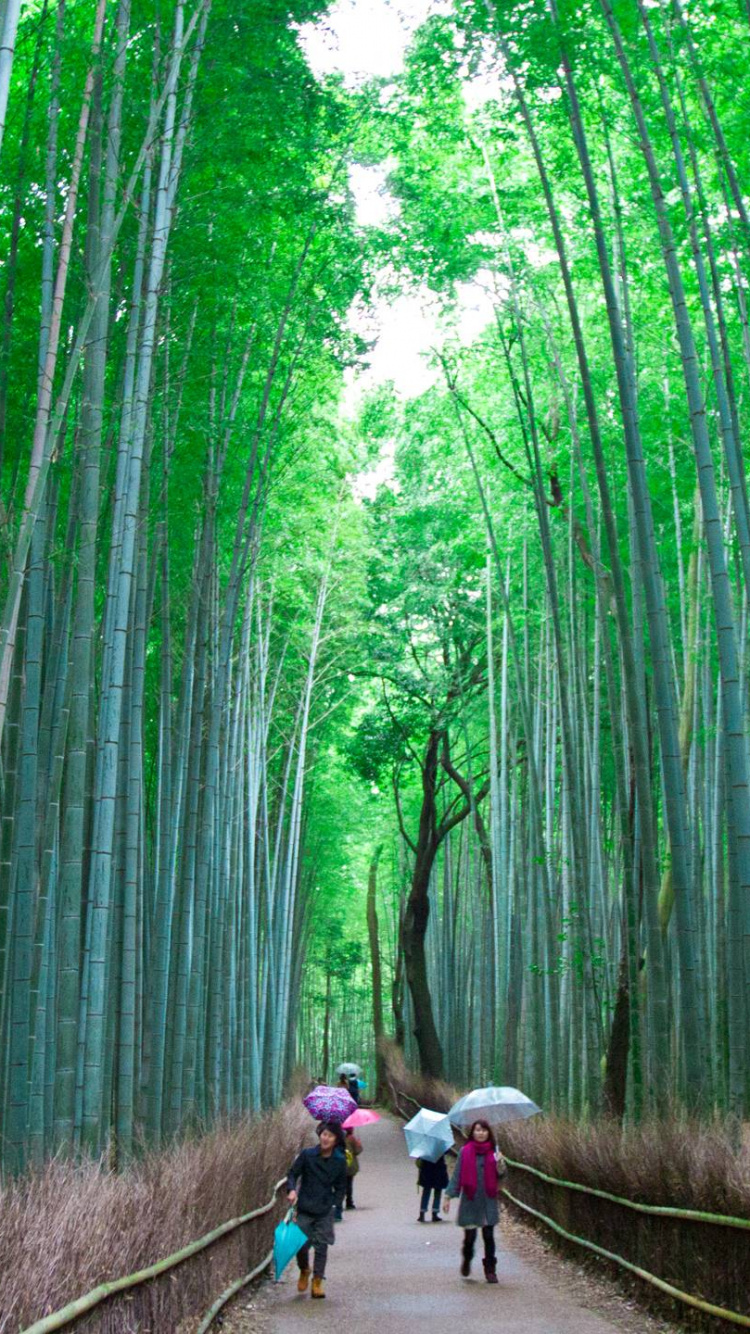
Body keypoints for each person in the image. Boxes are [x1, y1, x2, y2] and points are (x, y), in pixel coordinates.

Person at [286, 1121, 347, 1299]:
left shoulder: (339, 1161)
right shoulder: (307, 1155)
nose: (325, 1138)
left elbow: (341, 1186)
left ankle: (318, 1280)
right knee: (301, 1244)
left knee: (322, 1245)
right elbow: (292, 1173)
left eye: (330, 1135)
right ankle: (304, 1269)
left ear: (336, 1140)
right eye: (323, 1134)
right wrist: (291, 1189)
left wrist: (335, 1203)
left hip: (324, 1208)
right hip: (305, 1205)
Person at [443, 1120, 507, 1284]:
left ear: (488, 1133)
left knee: (488, 1236)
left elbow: (502, 1177)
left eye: (484, 1130)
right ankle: (467, 1258)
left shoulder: (494, 1153)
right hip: (470, 1200)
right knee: (470, 1238)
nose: (481, 1133)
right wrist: (448, 1196)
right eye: (478, 1130)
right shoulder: (465, 1151)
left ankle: (490, 1270)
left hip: (487, 1199)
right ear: (472, 1132)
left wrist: (500, 1164)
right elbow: (457, 1175)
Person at [416, 1152, 449, 1222]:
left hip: (427, 1169)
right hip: (439, 1168)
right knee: (437, 1191)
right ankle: (435, 1212)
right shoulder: (441, 1142)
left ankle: (422, 1213)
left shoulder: (425, 1144)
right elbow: (447, 1151)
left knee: (426, 1191)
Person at [344, 1126, 363, 1210]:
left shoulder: (338, 1138)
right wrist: (359, 1145)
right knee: (349, 1184)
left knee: (340, 1184)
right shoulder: (351, 1139)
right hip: (350, 1164)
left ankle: (337, 1202)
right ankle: (349, 1202)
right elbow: (357, 1151)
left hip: (340, 1164)